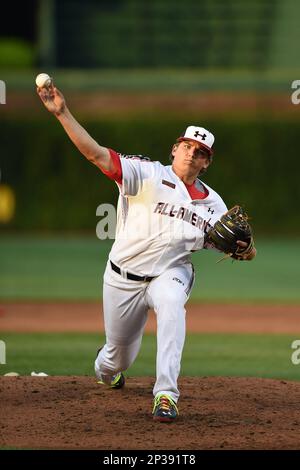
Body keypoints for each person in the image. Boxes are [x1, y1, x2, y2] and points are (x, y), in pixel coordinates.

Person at [37, 84, 256, 422]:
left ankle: (166, 395)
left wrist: (247, 249)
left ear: (206, 162)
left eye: (200, 152)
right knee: (115, 361)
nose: (191, 154)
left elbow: (238, 247)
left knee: (171, 303)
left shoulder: (215, 205)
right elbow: (95, 154)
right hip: (123, 276)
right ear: (174, 149)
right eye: (187, 146)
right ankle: (108, 366)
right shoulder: (147, 174)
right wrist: (62, 113)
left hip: (171, 272)